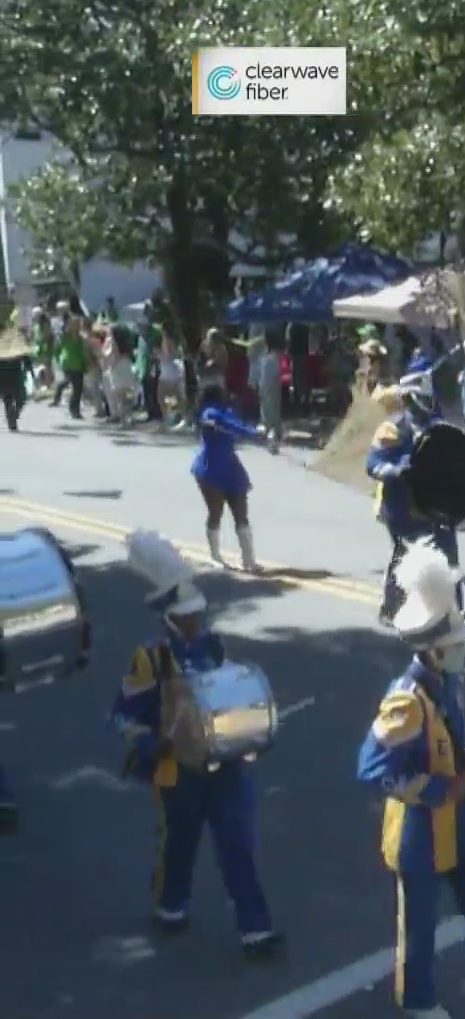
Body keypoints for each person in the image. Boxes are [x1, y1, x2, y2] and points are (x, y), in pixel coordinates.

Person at [355, 542, 465, 1019]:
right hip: (420, 833)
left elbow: (453, 755)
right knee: (420, 928)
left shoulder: (447, 686)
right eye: (456, 644)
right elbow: (371, 768)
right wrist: (434, 792)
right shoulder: (405, 702)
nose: (463, 649)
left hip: (462, 824)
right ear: (432, 651)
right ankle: (420, 1004)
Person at [112, 531, 281, 957]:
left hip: (224, 763)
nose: (195, 621)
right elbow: (122, 716)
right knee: (179, 843)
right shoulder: (150, 657)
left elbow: (227, 696)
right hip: (178, 773)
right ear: (169, 617)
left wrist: (248, 731)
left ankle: (256, 931)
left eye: (197, 614)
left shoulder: (214, 644)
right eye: (187, 615)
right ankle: (171, 906)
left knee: (237, 845)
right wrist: (155, 743)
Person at [367, 377, 465, 625]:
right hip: (403, 506)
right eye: (421, 398)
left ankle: (454, 615)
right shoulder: (393, 429)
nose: (427, 404)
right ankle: (391, 608)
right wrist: (398, 470)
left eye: (429, 399)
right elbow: (374, 465)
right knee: (406, 557)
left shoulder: (439, 428)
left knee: (449, 559)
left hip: (437, 506)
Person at [193, 384, 276, 572]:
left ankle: (249, 560)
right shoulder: (208, 412)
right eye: (222, 391)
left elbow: (239, 426)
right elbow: (226, 424)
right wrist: (252, 434)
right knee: (216, 512)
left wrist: (259, 436)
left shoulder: (227, 411)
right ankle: (215, 556)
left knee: (241, 513)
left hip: (231, 468)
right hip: (209, 468)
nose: (226, 392)